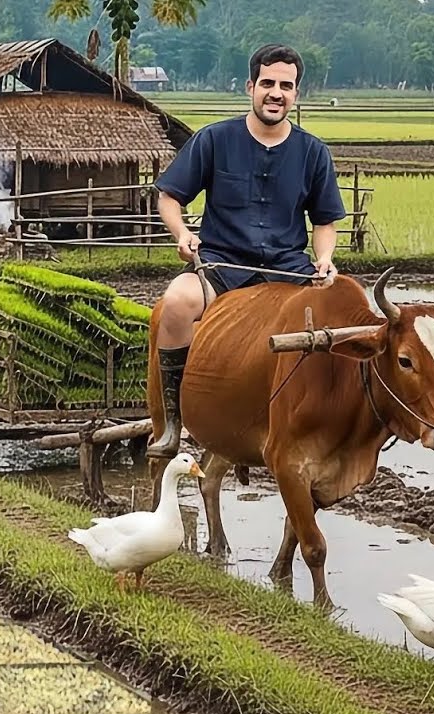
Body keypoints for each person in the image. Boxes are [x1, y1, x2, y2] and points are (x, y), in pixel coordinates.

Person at [146, 44, 348, 458]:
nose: (276, 93)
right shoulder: (214, 140)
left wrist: (325, 259)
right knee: (177, 302)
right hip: (221, 267)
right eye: (268, 83)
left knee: (347, 305)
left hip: (289, 273)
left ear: (297, 94)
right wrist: (182, 233)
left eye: (286, 86)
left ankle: (338, 420)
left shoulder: (313, 152)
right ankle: (172, 422)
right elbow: (169, 196)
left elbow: (324, 222)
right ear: (250, 87)